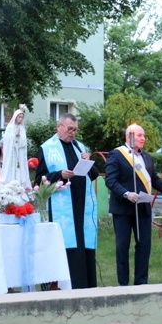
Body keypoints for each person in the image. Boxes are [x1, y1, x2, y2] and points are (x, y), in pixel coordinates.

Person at [105, 124, 162, 286]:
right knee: (123, 246)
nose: (143, 138)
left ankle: (141, 282)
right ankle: (123, 284)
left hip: (143, 208)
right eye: (140, 135)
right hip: (123, 209)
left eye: (144, 135)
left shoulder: (147, 157)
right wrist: (126, 194)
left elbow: (154, 179)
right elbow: (110, 180)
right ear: (130, 136)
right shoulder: (116, 155)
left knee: (144, 246)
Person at [35, 113, 100, 289]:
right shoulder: (47, 148)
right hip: (62, 206)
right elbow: (39, 181)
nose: (73, 133)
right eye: (70, 129)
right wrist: (59, 175)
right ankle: (66, 287)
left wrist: (89, 162)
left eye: (75, 130)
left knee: (83, 245)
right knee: (69, 248)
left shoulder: (79, 147)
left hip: (82, 206)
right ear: (59, 127)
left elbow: (93, 175)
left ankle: (86, 286)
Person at [1, 105, 31, 188]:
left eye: (22, 117)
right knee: (11, 168)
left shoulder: (22, 128)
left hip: (19, 153)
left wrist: (19, 136)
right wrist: (15, 135)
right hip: (11, 153)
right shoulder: (10, 127)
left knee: (20, 170)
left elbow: (24, 142)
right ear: (15, 117)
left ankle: (21, 185)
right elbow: (7, 140)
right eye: (19, 117)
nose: (20, 119)